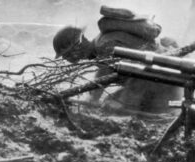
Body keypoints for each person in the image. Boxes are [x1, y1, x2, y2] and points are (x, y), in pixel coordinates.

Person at [52, 7, 180, 111]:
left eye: (67, 55)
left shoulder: (104, 45)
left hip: (165, 80)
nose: (68, 60)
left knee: (117, 110)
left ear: (76, 47)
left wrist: (92, 100)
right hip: (154, 78)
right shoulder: (100, 44)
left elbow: (103, 74)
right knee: (110, 103)